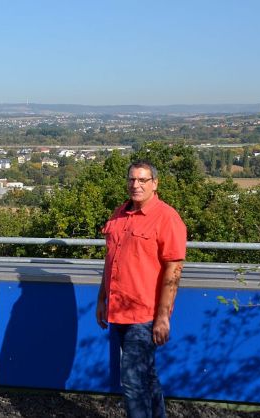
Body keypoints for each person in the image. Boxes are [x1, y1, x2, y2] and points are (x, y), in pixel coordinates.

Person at [96, 160, 186, 418]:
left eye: (142, 180)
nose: (136, 185)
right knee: (147, 377)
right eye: (132, 180)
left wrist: (163, 317)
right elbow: (110, 260)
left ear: (154, 184)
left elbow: (173, 269)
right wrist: (102, 298)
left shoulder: (167, 217)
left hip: (144, 315)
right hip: (119, 309)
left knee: (133, 382)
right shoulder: (119, 214)